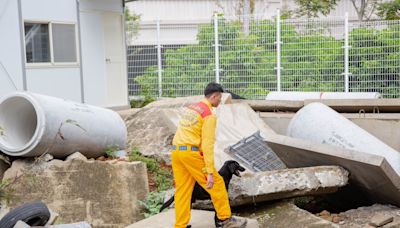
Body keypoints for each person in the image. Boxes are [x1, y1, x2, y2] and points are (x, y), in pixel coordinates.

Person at [171, 82, 247, 228]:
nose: (220, 101)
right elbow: (207, 144)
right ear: (214, 96)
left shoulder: (192, 108)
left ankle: (180, 225)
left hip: (177, 152)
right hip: (190, 153)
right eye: (220, 98)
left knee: (182, 190)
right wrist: (210, 171)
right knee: (218, 184)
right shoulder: (208, 115)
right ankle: (226, 220)